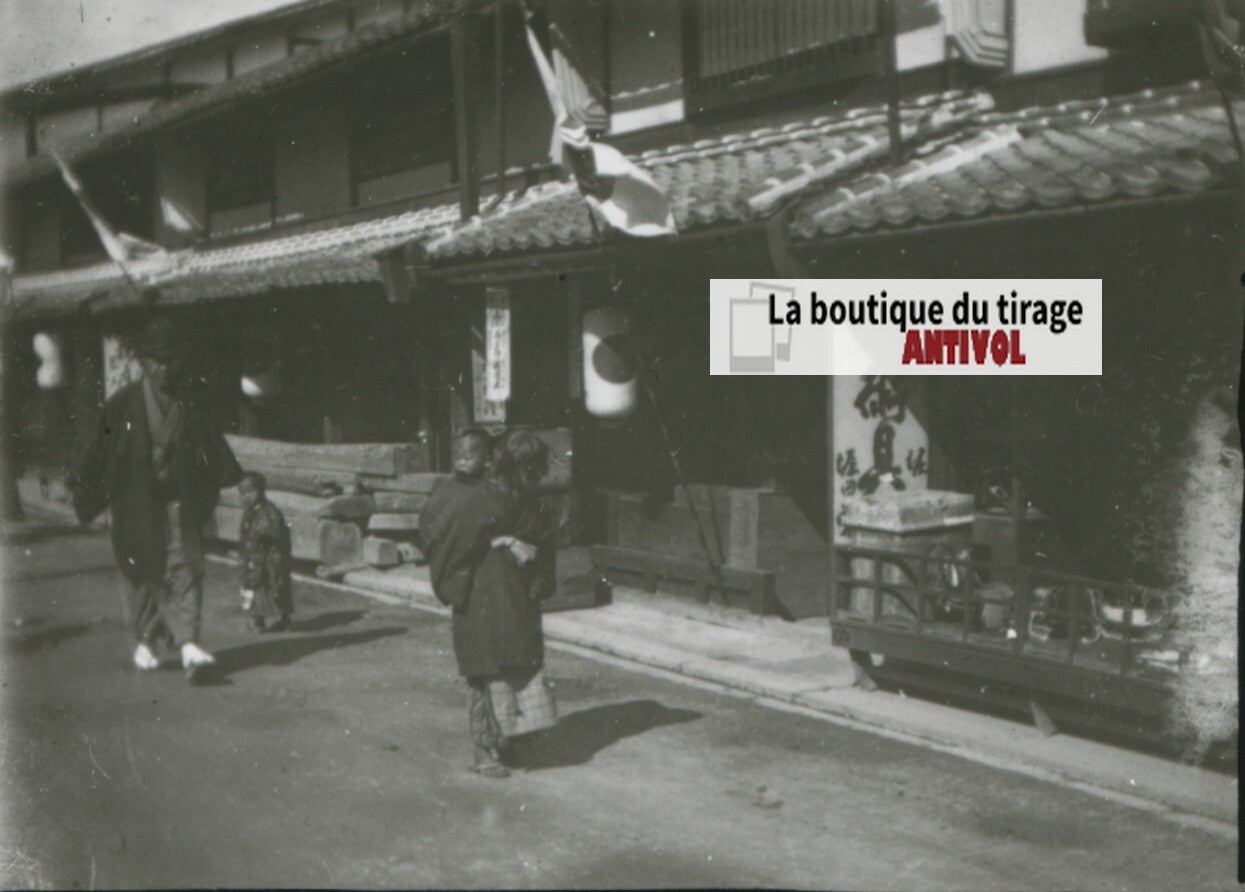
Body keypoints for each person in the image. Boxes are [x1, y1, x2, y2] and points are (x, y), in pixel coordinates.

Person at [69, 317, 242, 680]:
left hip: (179, 500)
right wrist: (90, 495)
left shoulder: (190, 403)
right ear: (143, 361)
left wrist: (220, 480)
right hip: (136, 501)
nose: (165, 368)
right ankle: (146, 639)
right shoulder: (122, 405)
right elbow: (100, 454)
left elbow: (211, 451)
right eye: (157, 360)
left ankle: (188, 643)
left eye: (171, 361)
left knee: (186, 564)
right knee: (142, 568)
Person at [422, 428, 558, 778]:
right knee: (483, 672)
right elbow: (448, 541)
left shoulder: (525, 497)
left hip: (516, 592)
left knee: (516, 665)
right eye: (527, 470)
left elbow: (545, 538)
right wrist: (500, 541)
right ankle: (483, 750)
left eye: (536, 470)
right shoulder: (474, 497)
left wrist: (537, 574)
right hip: (479, 590)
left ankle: (506, 738)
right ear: (509, 466)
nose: (533, 477)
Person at [237, 472, 293, 633]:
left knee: (274, 587)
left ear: (261, 490)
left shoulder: (268, 511)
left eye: (250, 491)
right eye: (242, 493)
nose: (246, 496)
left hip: (269, 558)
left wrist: (264, 537)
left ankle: (283, 620)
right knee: (256, 590)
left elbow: (275, 532)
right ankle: (258, 622)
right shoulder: (250, 511)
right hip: (254, 559)